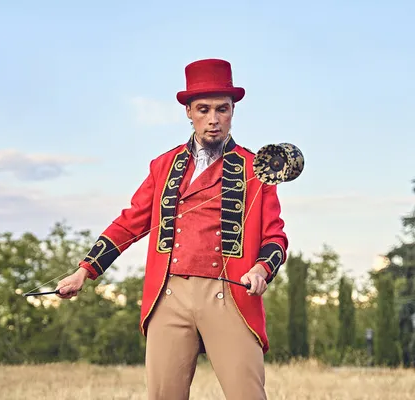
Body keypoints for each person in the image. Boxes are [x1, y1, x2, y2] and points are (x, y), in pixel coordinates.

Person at [55, 58, 288, 400]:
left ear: (233, 111)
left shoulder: (257, 168)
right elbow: (130, 222)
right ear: (189, 112)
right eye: (204, 109)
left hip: (230, 297)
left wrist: (261, 268)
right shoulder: (163, 165)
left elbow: (275, 236)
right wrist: (84, 271)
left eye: (222, 109)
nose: (213, 119)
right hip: (169, 295)